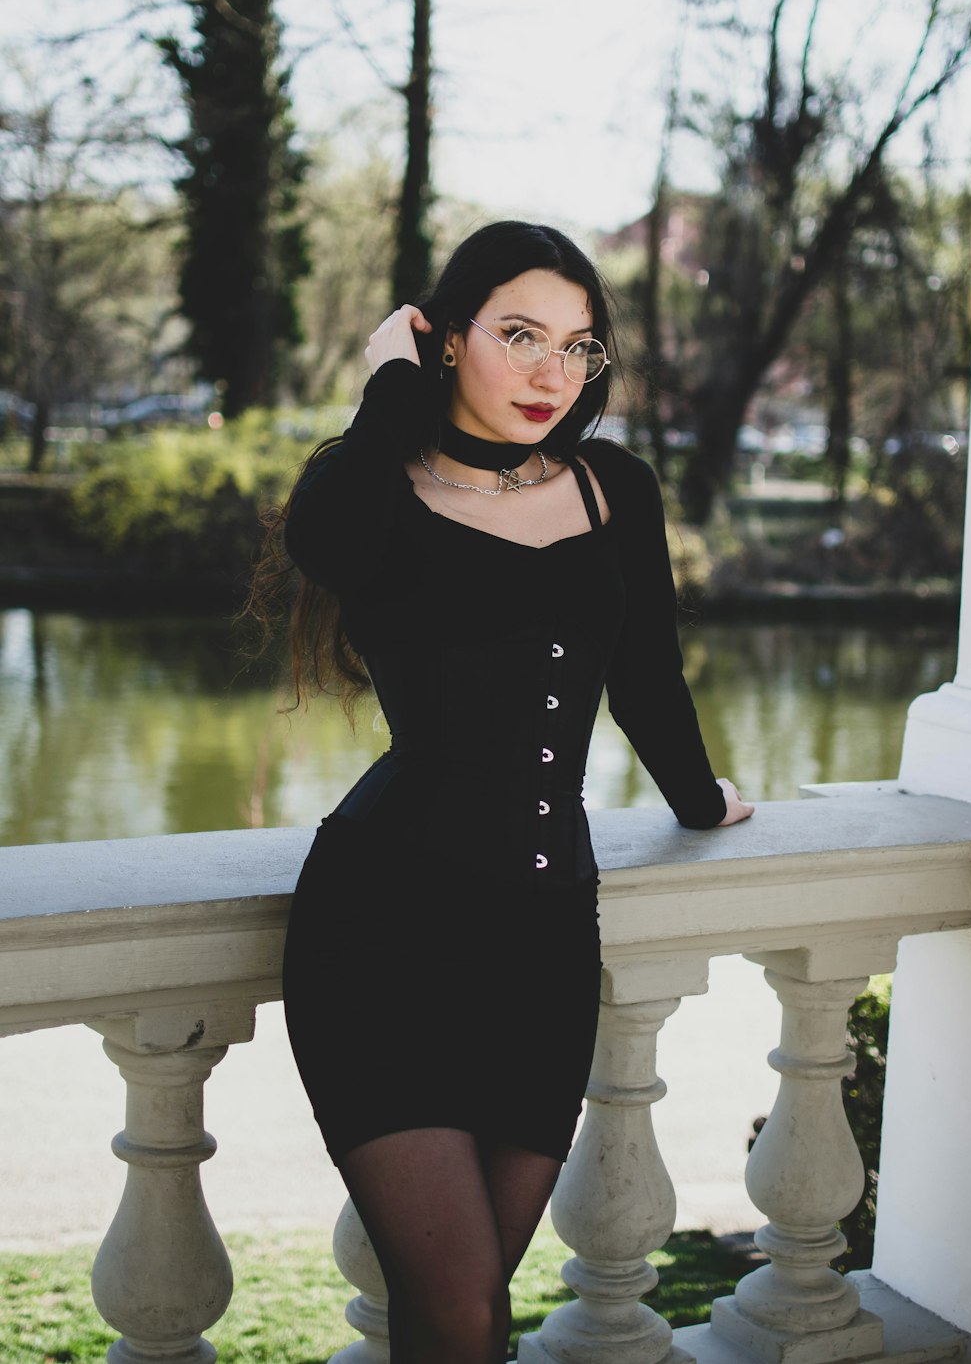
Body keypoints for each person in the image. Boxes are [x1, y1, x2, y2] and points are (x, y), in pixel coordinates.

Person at [261, 220, 753, 1364]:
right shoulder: (375, 488)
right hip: (382, 933)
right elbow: (327, 547)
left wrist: (696, 798)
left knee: (468, 1314)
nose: (551, 372)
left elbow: (648, 679)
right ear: (446, 340)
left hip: (541, 945)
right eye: (519, 334)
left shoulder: (611, 487)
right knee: (465, 1310)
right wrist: (389, 381)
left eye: (577, 346)